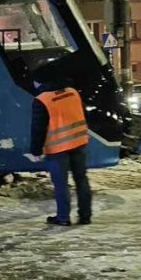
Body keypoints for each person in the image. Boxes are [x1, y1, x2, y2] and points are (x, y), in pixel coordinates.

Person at [25, 82, 92, 226]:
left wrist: (36, 150)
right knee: (81, 179)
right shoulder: (72, 91)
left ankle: (63, 218)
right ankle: (85, 216)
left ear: (40, 82)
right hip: (79, 142)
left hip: (57, 148)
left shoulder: (42, 99)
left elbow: (38, 128)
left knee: (61, 184)